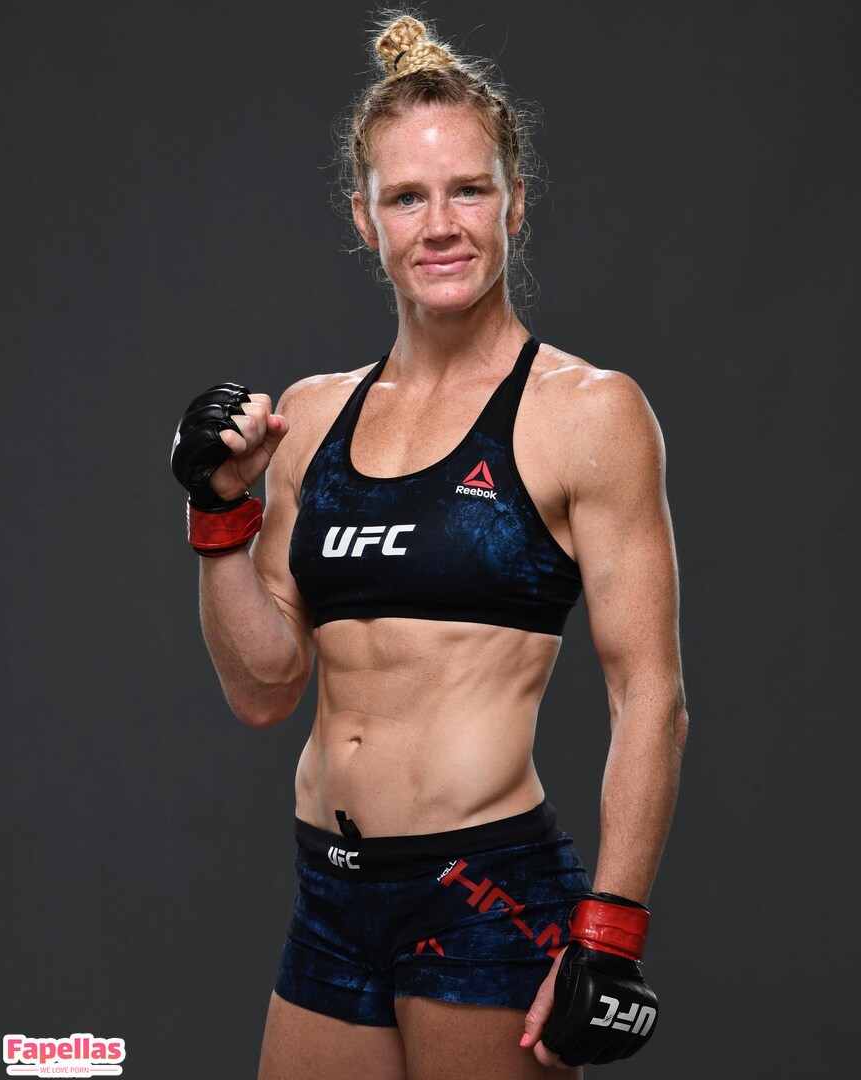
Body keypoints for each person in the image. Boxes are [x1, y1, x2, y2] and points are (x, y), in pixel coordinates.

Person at [171, 14, 687, 1079]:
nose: (441, 226)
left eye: (470, 191)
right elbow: (265, 689)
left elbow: (650, 696)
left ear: (516, 202)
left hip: (484, 899)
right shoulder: (314, 416)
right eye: (407, 197)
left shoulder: (586, 413)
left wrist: (610, 929)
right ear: (365, 218)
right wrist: (219, 516)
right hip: (330, 893)